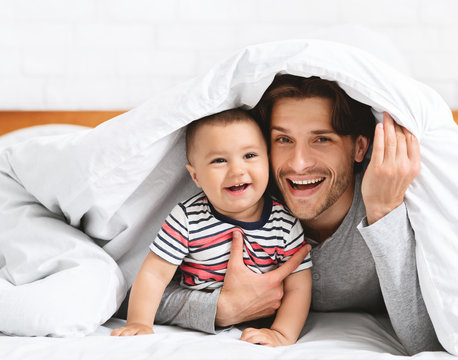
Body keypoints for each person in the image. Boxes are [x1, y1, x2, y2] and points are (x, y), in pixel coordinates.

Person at [153, 75, 443, 355]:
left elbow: (426, 340)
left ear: (359, 147)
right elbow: (140, 295)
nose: (298, 163)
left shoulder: (389, 203)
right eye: (283, 140)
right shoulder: (240, 202)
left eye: (321, 139)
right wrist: (221, 309)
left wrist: (383, 213)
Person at [112, 108, 312, 347]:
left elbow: (299, 286)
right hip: (199, 321)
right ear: (195, 176)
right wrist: (140, 322)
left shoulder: (284, 222)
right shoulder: (186, 218)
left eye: (249, 155)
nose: (237, 170)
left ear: (268, 160)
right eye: (219, 160)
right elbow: (155, 274)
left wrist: (281, 333)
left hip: (260, 321)